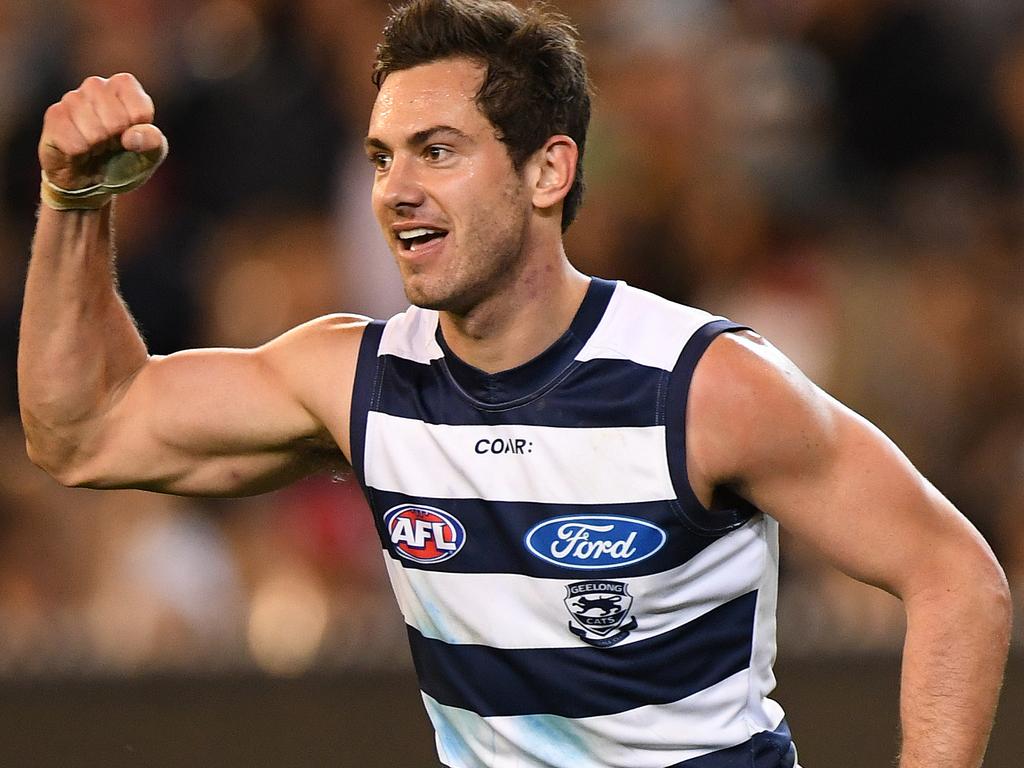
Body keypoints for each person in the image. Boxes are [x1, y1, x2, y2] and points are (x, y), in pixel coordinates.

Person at [18, 1, 1011, 766]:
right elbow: (85, 431)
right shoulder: (355, 378)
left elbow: (954, 576)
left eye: (437, 152)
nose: (395, 189)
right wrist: (74, 202)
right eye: (381, 157)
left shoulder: (704, 386)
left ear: (547, 173)